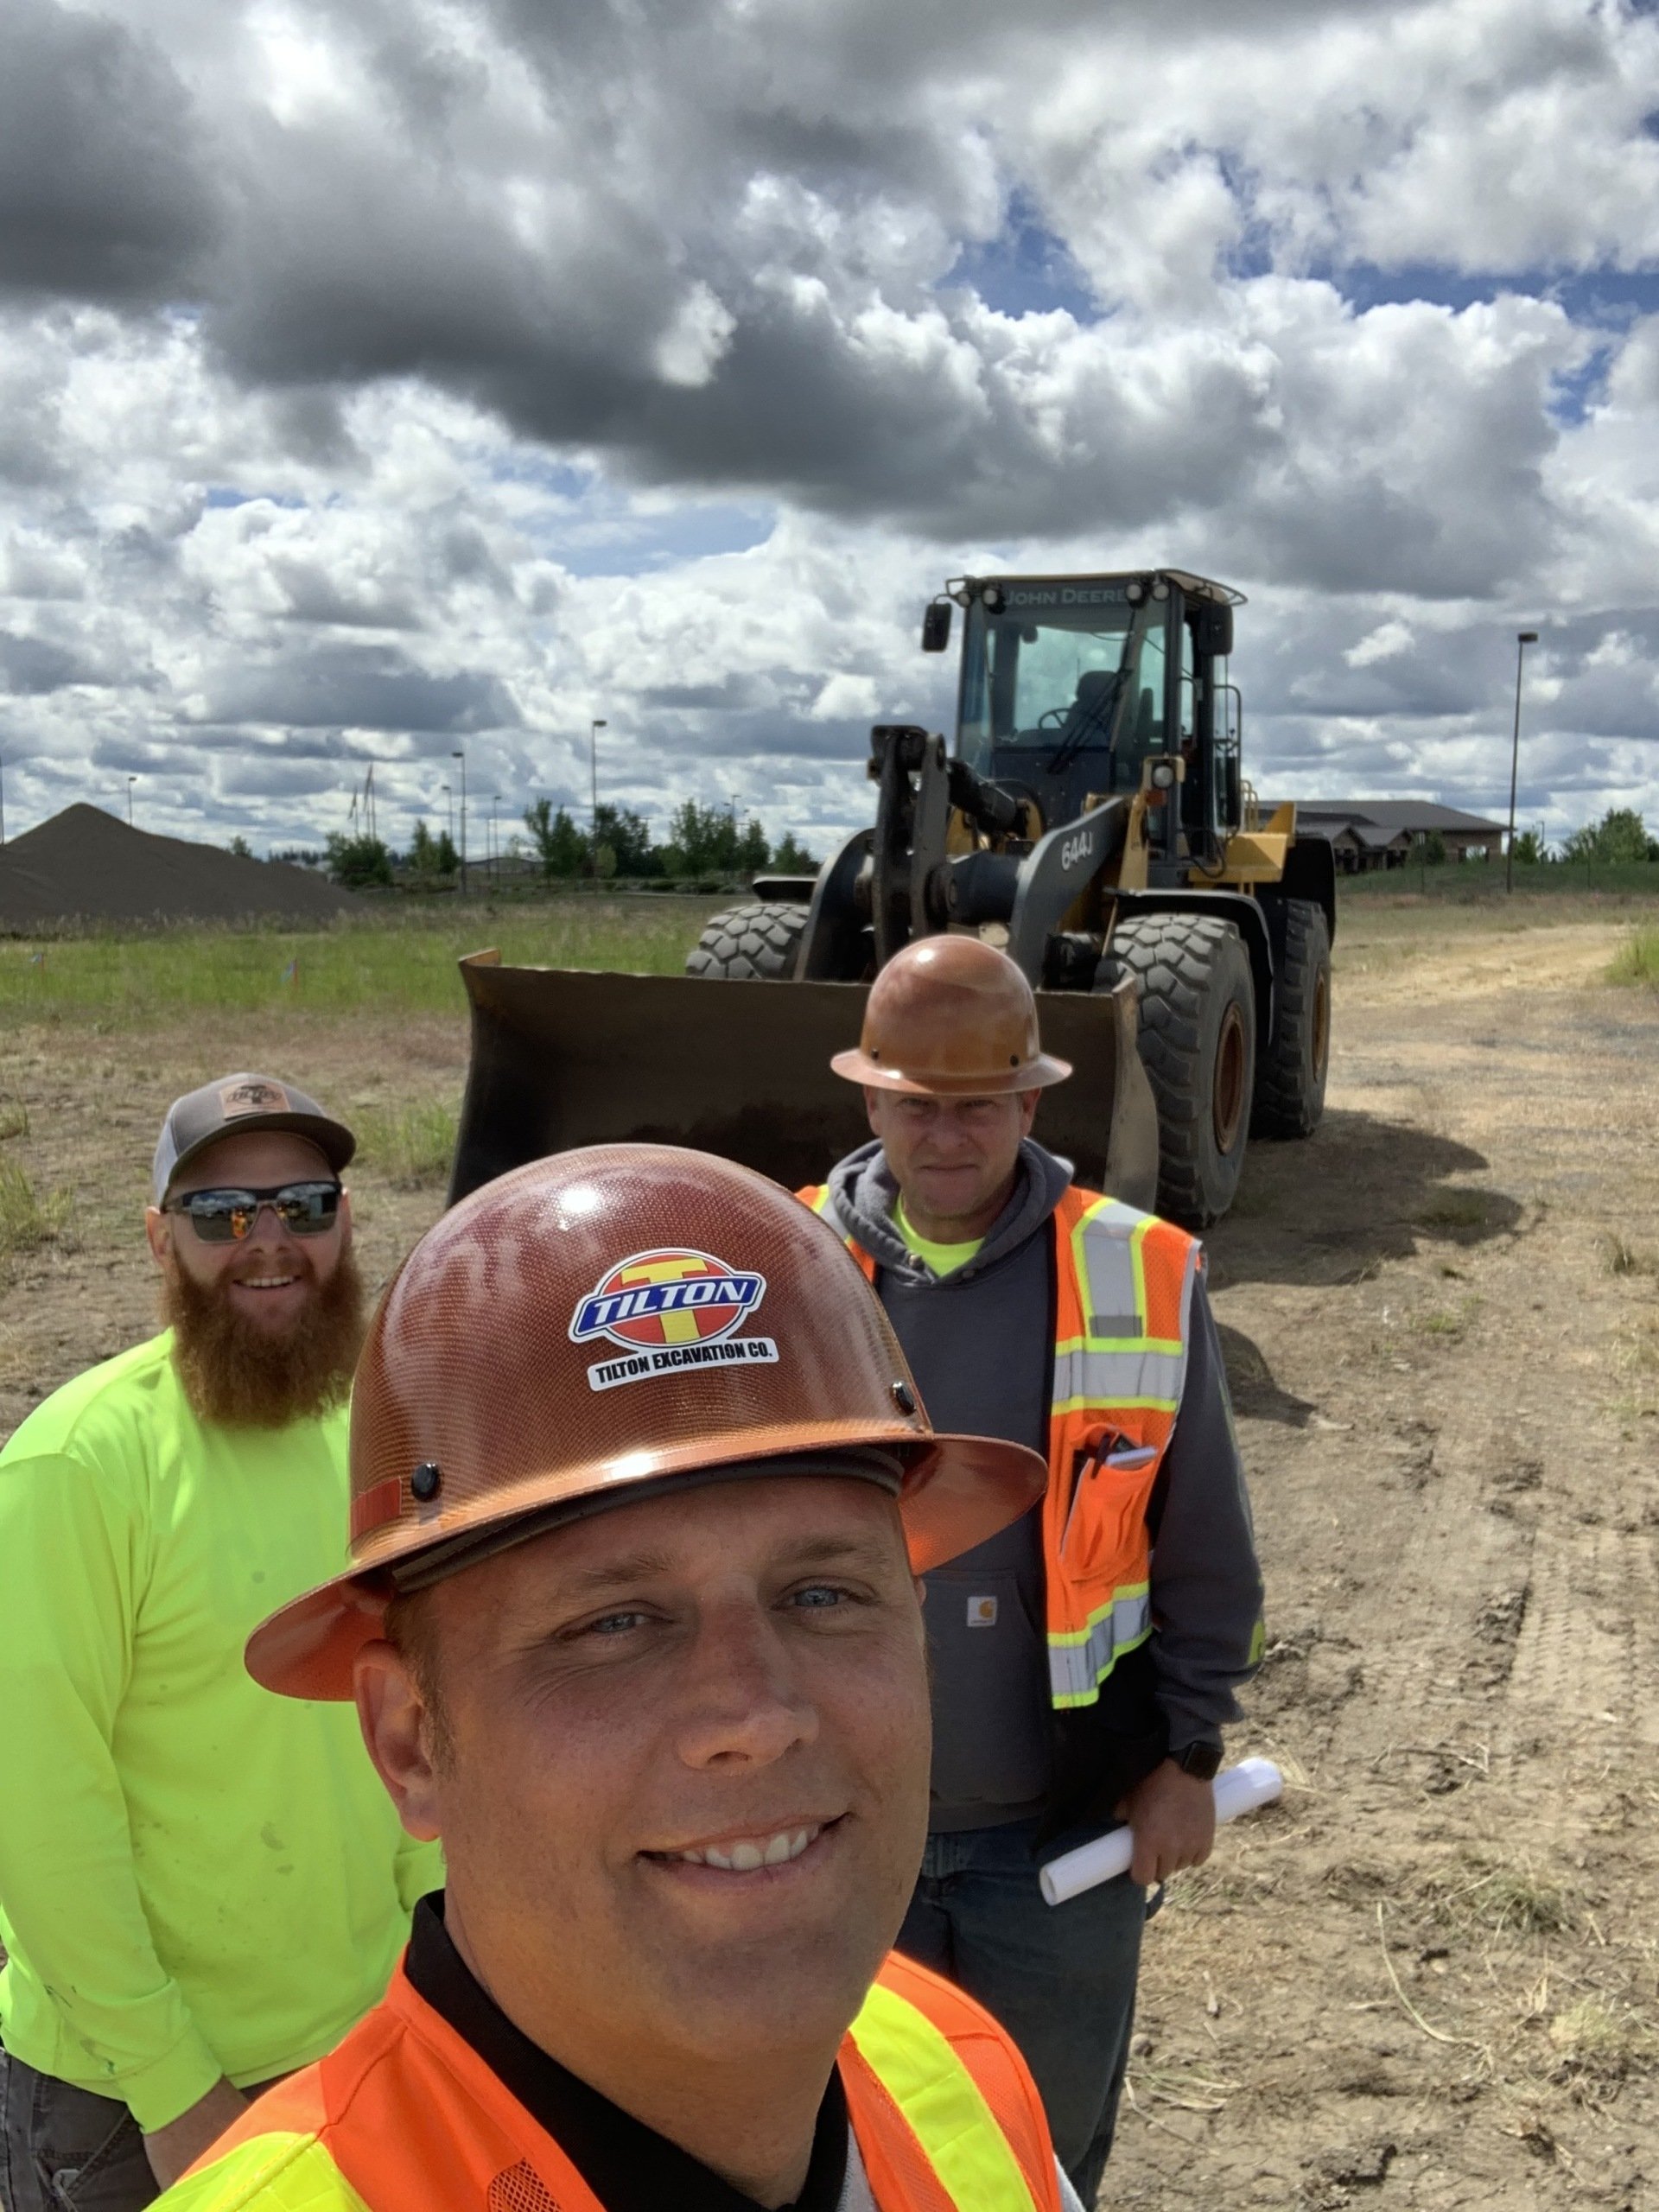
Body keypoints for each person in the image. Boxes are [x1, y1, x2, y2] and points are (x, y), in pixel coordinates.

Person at [154, 1143, 1087, 2212]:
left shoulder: (954, 2074)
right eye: (616, 1623)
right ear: (412, 1740)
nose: (756, 1716)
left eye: (823, 1594)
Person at [798, 937, 1264, 2200]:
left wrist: (1189, 1759)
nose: (946, 1135)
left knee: (1043, 2161)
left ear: (1032, 1099)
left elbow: (1207, 1552)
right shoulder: (786, 1273)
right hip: (835, 1833)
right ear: (870, 1098)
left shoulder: (1141, 1271)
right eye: (916, 1106)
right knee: (849, 2155)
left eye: (978, 1107)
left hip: (1058, 1849)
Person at [0, 1074, 442, 2211]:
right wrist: (175, 2094)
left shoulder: (372, 1434)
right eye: (222, 1215)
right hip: (134, 2100)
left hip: (361, 2041)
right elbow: (43, 1815)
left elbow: (414, 1723)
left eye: (303, 1205)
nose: (270, 1243)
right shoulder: (77, 1468)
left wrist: (431, 1973)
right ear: (159, 1238)